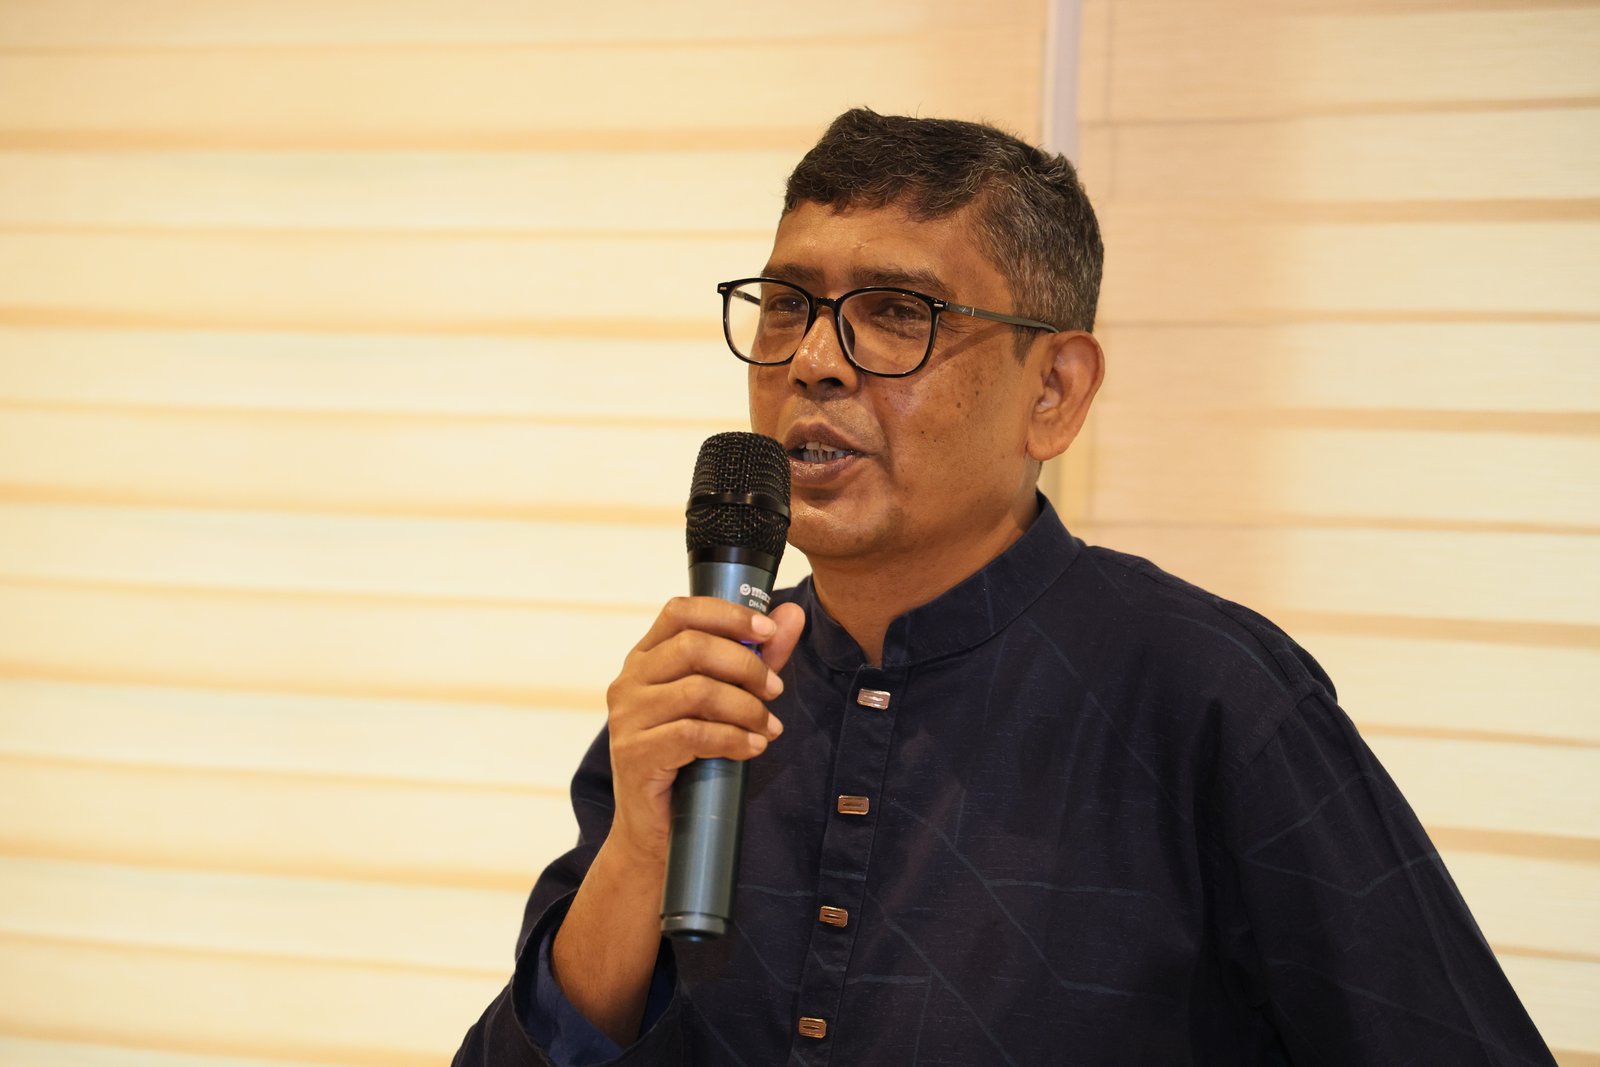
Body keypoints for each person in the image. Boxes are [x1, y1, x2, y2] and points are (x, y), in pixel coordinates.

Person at [454, 109, 1554, 1065]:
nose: (813, 361)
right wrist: (639, 852)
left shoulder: (1209, 695)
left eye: (898, 311)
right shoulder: (707, 687)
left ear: (1055, 392)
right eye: (786, 304)